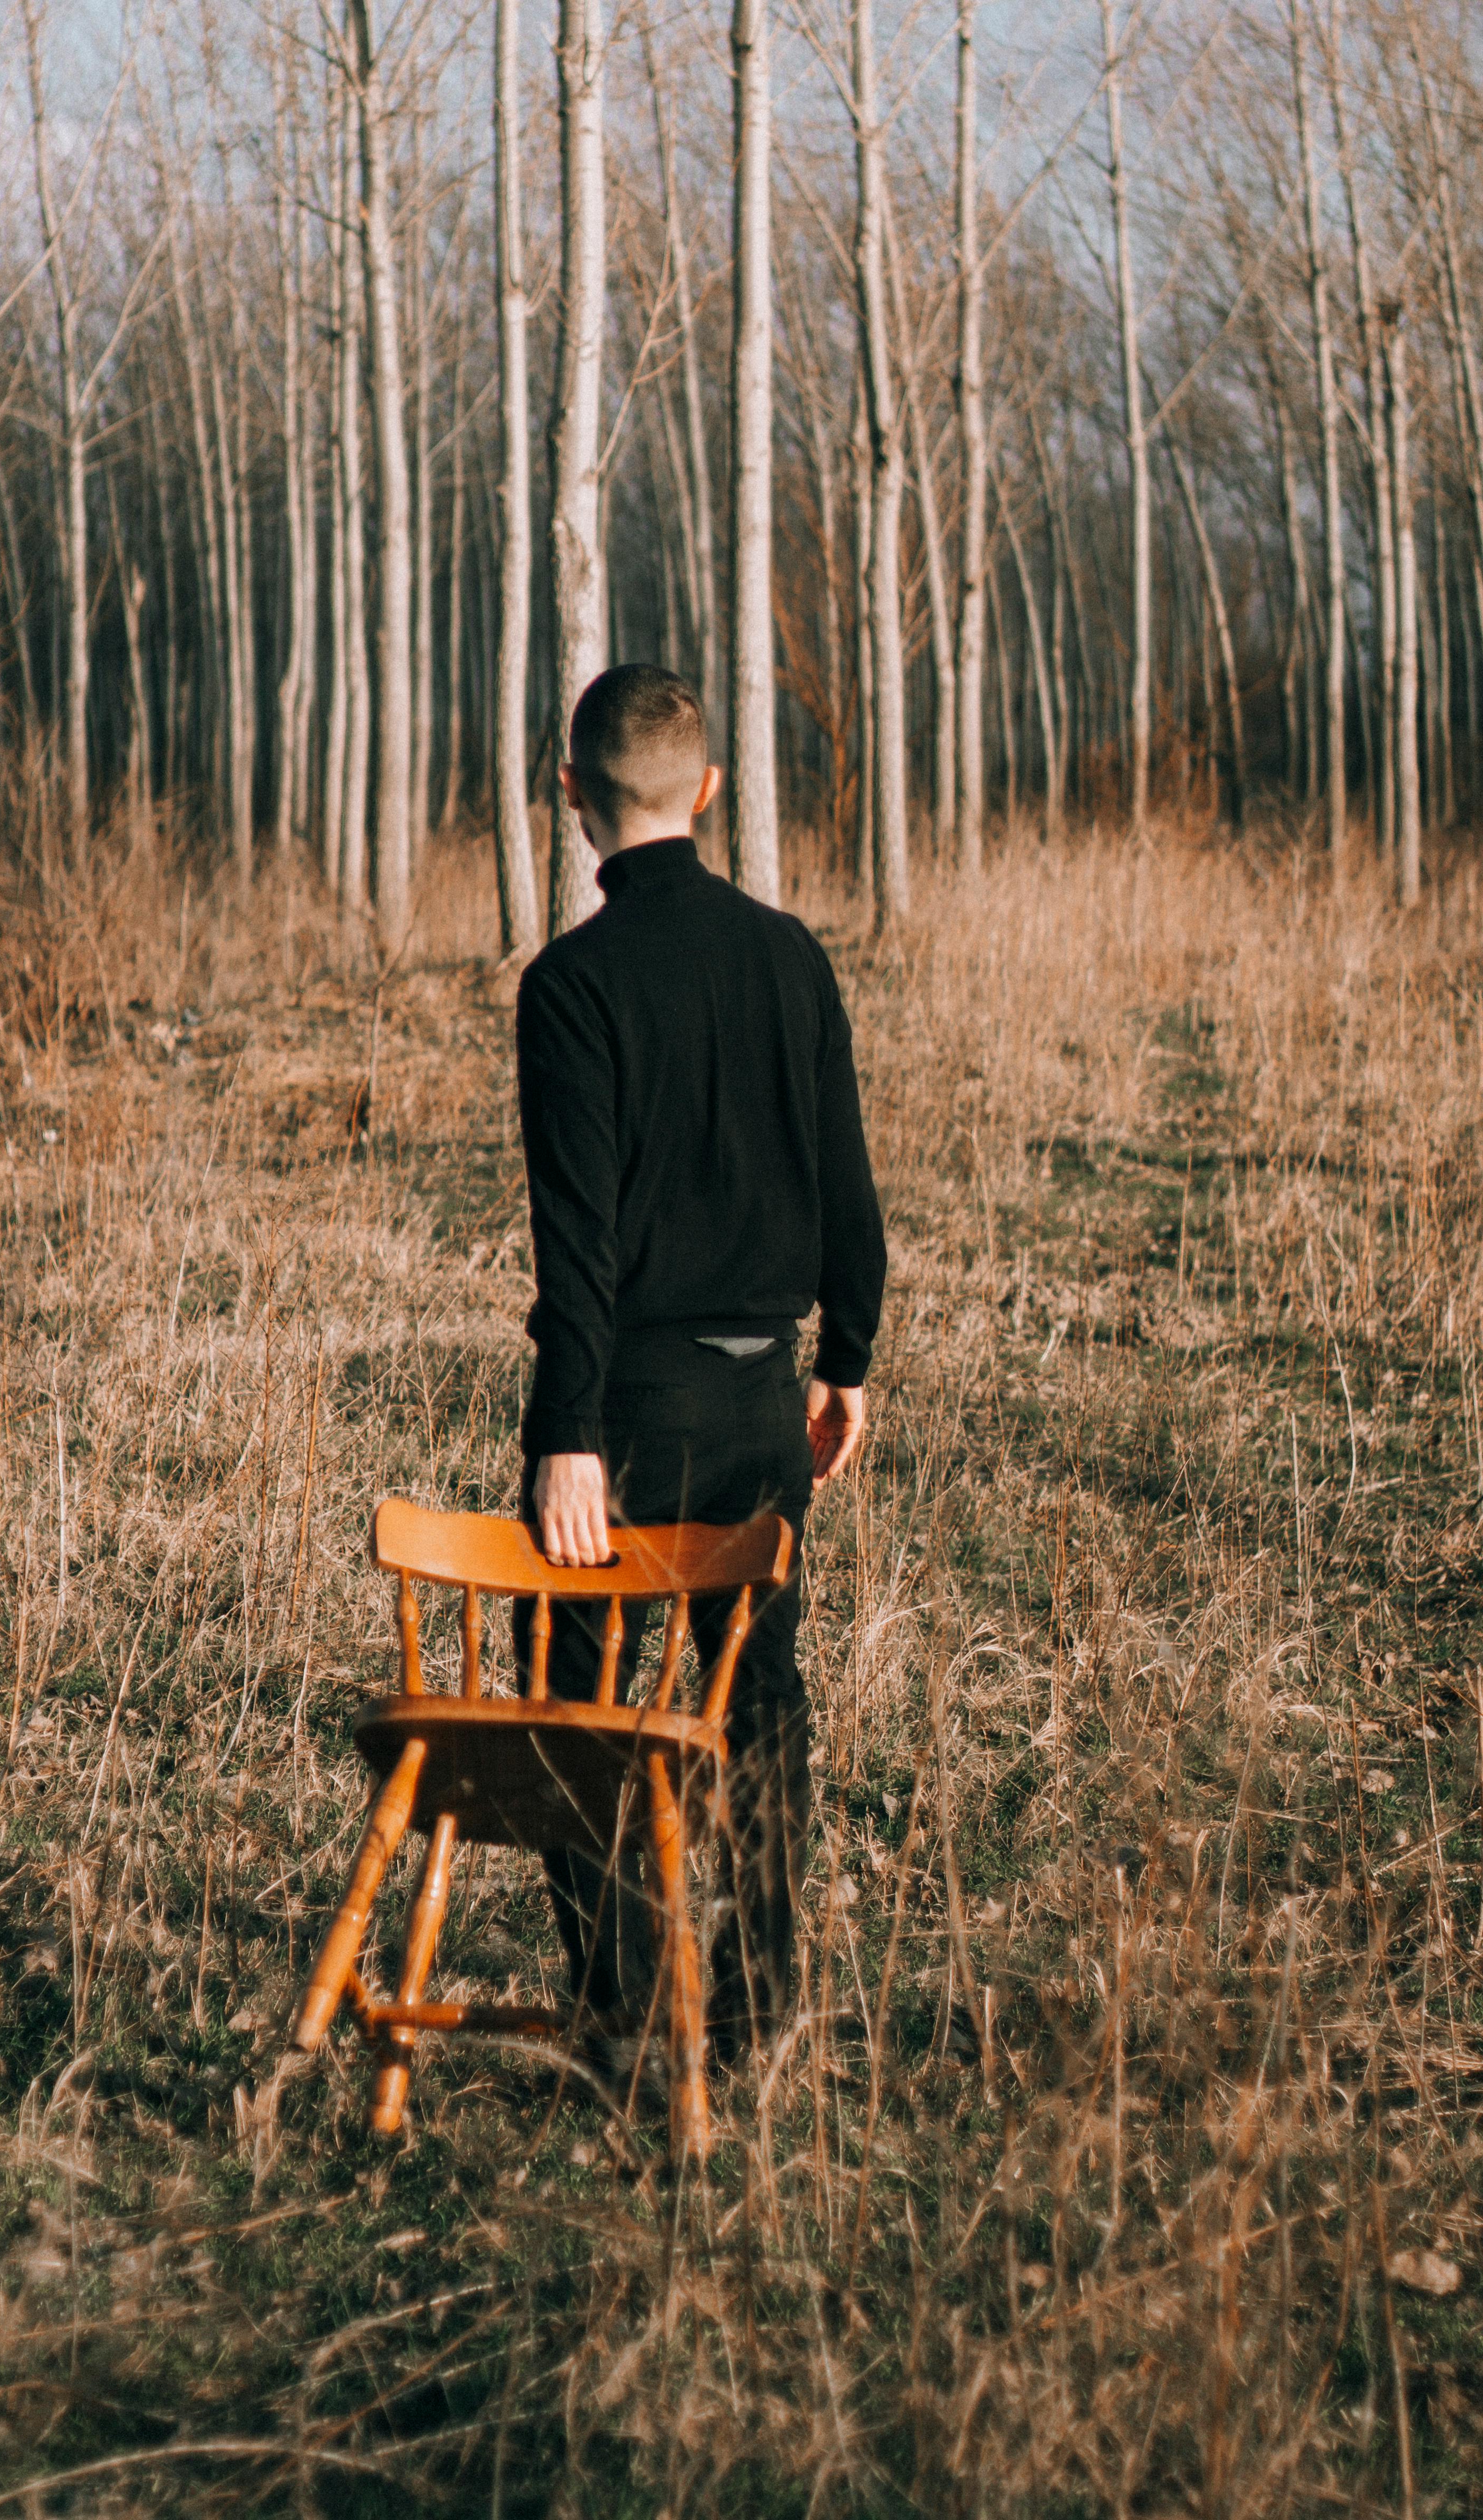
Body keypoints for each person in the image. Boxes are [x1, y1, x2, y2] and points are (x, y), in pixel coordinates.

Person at [513, 662, 886, 2066]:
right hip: (756, 1403)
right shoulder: (792, 957)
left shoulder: (572, 986)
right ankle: (753, 2007)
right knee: (761, 1704)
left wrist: (569, 1433)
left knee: (578, 1713)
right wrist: (844, 1358)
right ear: (711, 791)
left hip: (624, 1412)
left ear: (571, 799)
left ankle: (619, 2019)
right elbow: (849, 1195)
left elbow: (580, 1242)